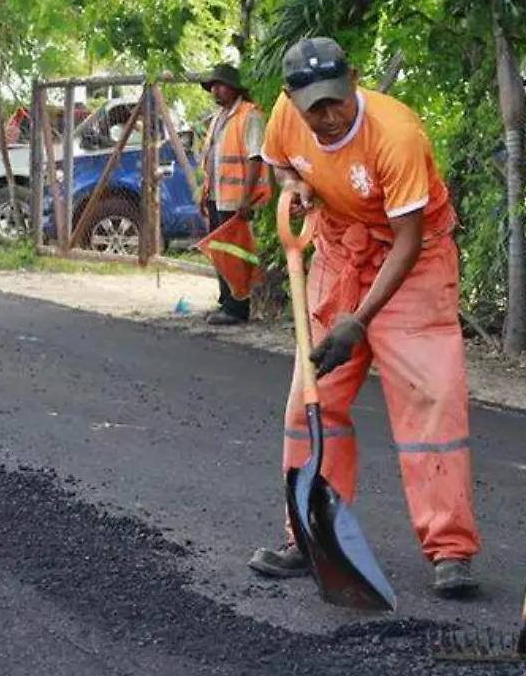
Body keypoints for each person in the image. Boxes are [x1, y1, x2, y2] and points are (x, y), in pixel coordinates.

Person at [248, 37, 482, 599]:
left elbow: (409, 239)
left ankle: (450, 548)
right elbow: (281, 167)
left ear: (354, 80)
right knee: (313, 398)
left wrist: (359, 320)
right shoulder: (286, 117)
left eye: (336, 101)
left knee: (430, 400)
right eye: (314, 108)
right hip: (339, 249)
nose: (327, 118)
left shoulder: (395, 133)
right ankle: (308, 535)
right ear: (291, 100)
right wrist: (296, 187)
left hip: (416, 260)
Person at [194, 63, 270, 325]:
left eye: (220, 85)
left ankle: (237, 308)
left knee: (235, 253)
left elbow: (255, 158)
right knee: (220, 252)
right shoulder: (219, 118)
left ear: (234, 87)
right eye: (212, 86)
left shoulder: (250, 115)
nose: (215, 90)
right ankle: (226, 301)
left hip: (237, 198)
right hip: (217, 195)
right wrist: (205, 194)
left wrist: (247, 198)